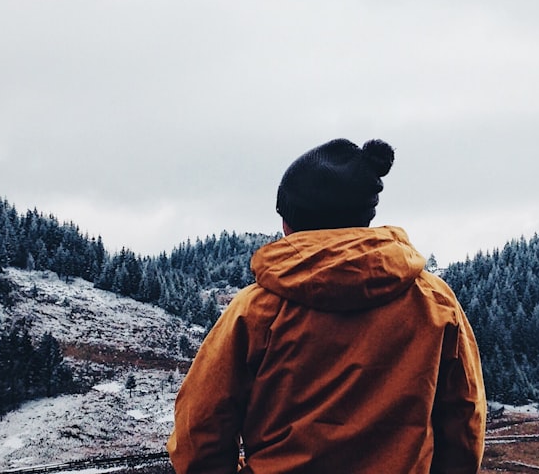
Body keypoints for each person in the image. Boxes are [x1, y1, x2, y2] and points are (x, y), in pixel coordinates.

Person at [167, 138, 486, 473]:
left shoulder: (257, 310)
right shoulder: (434, 301)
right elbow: (465, 424)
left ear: (292, 224)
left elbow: (199, 432)